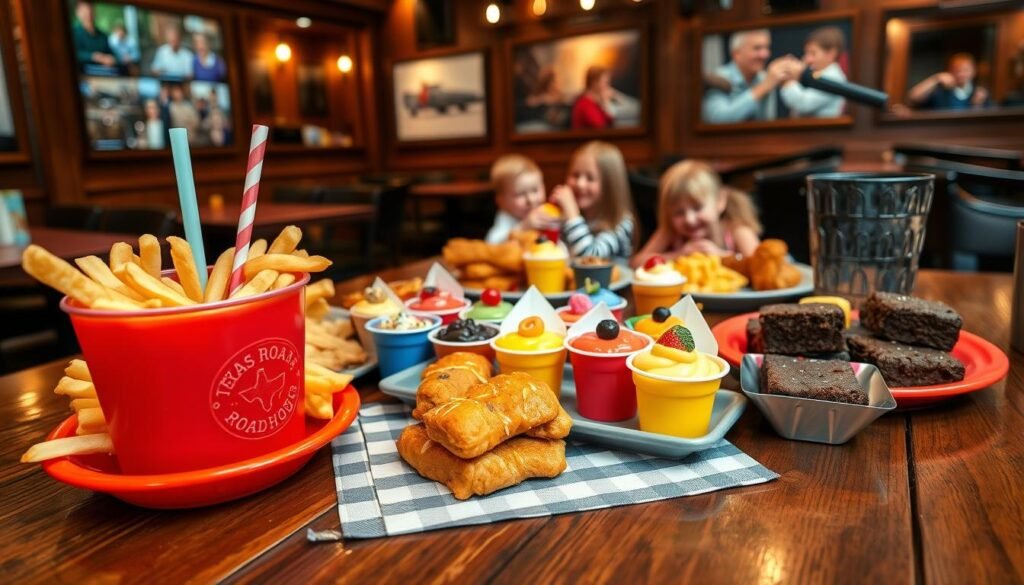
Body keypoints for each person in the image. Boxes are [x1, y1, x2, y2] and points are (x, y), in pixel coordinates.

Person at [632, 160, 761, 268]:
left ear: (720, 201)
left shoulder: (736, 230)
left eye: (698, 208)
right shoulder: (670, 232)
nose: (689, 219)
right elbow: (636, 263)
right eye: (679, 212)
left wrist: (720, 256)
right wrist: (679, 255)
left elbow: (760, 263)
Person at [528, 141, 636, 259]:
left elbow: (589, 258)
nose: (580, 184)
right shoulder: (568, 218)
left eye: (590, 178)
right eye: (575, 175)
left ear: (609, 185)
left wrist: (572, 214)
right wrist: (533, 223)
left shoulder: (621, 222)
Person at [701, 29, 801, 123]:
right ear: (736, 54)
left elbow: (766, 123)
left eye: (766, 48)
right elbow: (717, 119)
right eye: (757, 48)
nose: (765, 54)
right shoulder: (718, 78)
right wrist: (763, 87)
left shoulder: (763, 78)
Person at [779, 26, 848, 118]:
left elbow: (803, 104)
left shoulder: (833, 78)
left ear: (831, 53)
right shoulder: (817, 73)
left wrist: (788, 81)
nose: (807, 59)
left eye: (812, 53)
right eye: (806, 53)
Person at [485, 154, 547, 244]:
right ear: (501, 201)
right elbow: (492, 243)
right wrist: (523, 227)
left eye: (535, 190)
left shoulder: (544, 210)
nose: (531, 199)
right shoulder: (506, 218)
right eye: (520, 194)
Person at [908, 53, 991, 110]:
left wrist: (977, 105)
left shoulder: (979, 93)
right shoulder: (941, 90)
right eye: (957, 70)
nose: (961, 74)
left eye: (966, 70)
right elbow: (913, 97)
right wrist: (935, 78)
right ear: (950, 71)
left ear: (974, 71)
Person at [72, 2, 116, 68]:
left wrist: (111, 59)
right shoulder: (73, 32)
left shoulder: (103, 36)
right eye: (84, 9)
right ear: (77, 13)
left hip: (103, 73)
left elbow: (112, 55)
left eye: (90, 8)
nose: (88, 12)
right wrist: (93, 57)